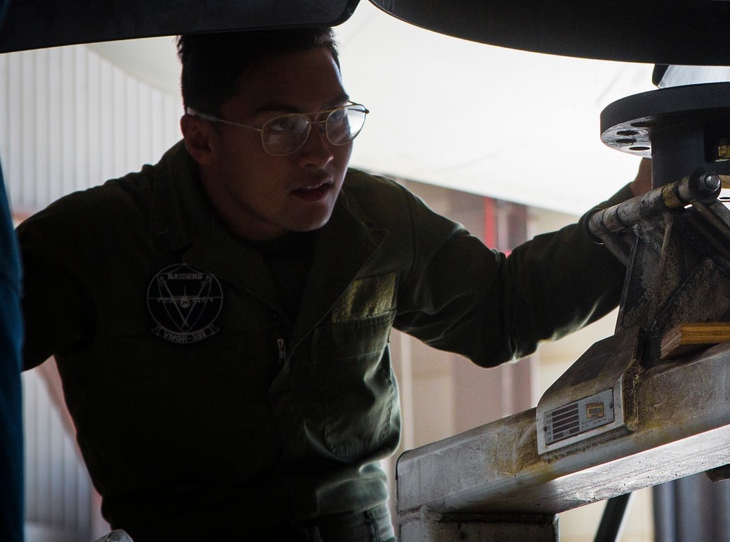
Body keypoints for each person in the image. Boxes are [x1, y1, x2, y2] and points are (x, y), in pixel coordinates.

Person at [16, 27, 652, 541]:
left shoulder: (376, 220)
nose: (320, 152)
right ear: (202, 138)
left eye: (335, 118)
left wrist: (644, 212)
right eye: (282, 127)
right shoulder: (99, 241)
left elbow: (504, 308)